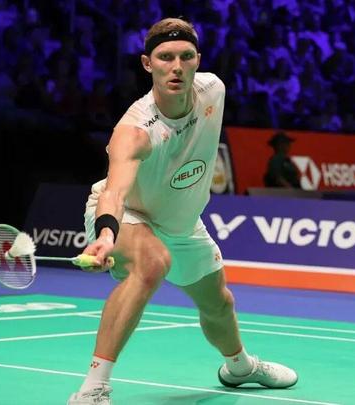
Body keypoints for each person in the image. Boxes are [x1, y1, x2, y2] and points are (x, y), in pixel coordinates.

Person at [67, 18, 297, 405]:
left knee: (219, 303)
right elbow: (115, 192)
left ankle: (240, 368)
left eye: (185, 57)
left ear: (197, 61)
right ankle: (92, 388)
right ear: (147, 64)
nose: (176, 67)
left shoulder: (213, 89)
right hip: (130, 216)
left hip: (182, 224)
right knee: (152, 263)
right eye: (165, 57)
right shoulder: (135, 131)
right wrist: (106, 236)